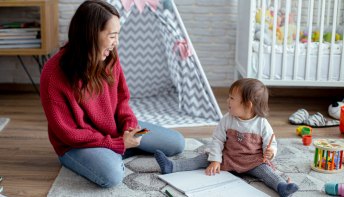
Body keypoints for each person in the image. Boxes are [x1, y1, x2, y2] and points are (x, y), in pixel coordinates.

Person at [40, 0, 184, 188]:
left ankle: (118, 150)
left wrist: (130, 127)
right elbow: (68, 134)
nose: (116, 42)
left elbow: (122, 102)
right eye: (112, 35)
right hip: (77, 145)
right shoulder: (53, 74)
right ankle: (115, 152)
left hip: (114, 132)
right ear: (90, 34)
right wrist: (117, 144)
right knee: (111, 176)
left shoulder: (109, 57)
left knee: (176, 143)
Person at [155, 78, 299, 197]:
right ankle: (172, 166)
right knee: (202, 159)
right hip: (228, 157)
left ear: (248, 105)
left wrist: (271, 152)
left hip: (252, 161)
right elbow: (217, 140)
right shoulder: (227, 119)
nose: (227, 101)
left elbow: (271, 143)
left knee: (268, 173)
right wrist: (216, 160)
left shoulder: (262, 124)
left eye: (232, 98)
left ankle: (282, 187)